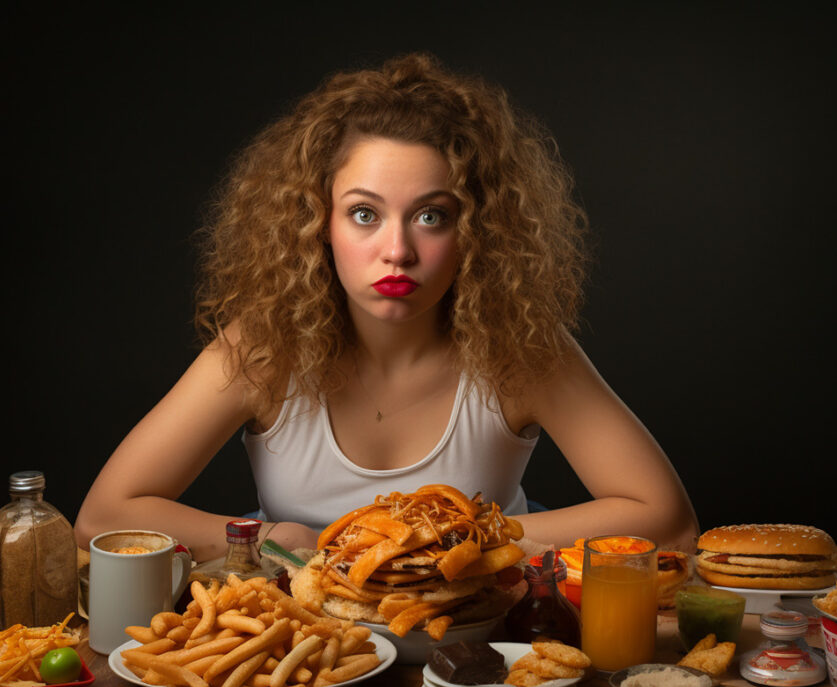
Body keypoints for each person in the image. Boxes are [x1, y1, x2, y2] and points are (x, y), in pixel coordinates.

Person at [73, 52, 697, 563]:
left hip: (478, 631)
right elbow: (104, 517)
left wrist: (479, 540)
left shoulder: (518, 348)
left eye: (432, 216)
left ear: (478, 229)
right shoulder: (264, 347)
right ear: (317, 223)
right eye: (365, 214)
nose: (397, 251)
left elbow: (666, 523)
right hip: (304, 638)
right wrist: (278, 539)